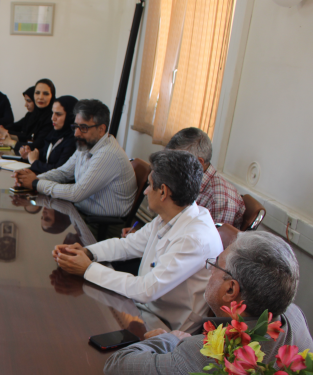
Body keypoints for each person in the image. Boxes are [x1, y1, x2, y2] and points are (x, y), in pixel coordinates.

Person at [103, 231, 312, 375]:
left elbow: (117, 365)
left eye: (215, 265)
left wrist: (171, 339)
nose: (210, 270)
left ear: (230, 289)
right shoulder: (293, 316)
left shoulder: (203, 358)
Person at [53, 150, 223, 332]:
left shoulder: (194, 238)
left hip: (165, 328)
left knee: (81, 320)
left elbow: (146, 290)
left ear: (163, 192)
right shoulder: (173, 215)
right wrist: (88, 252)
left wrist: (88, 269)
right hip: (145, 308)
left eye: (149, 185)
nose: (146, 191)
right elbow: (128, 245)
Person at [14, 99, 137, 217]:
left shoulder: (107, 154)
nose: (76, 133)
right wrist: (30, 178)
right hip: (81, 212)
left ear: (101, 129)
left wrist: (36, 183)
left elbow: (76, 193)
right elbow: (63, 173)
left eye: (83, 128)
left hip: (101, 224)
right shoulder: (87, 144)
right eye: (75, 127)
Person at [166, 127, 245, 228]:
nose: (172, 167)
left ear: (198, 163)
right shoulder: (186, 179)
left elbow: (214, 238)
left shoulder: (220, 199)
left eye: (177, 161)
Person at [17, 95, 78, 175]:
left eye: (58, 114)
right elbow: (44, 155)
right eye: (53, 113)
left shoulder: (73, 140)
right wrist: (29, 154)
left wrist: (34, 162)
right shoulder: (54, 134)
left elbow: (59, 171)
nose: (53, 118)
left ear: (71, 116)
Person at [0, 78, 55, 150]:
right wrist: (6, 135)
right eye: (37, 93)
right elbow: (28, 137)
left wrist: (11, 142)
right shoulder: (34, 115)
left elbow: (37, 145)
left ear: (52, 96)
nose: (40, 97)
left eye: (46, 94)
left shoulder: (52, 118)